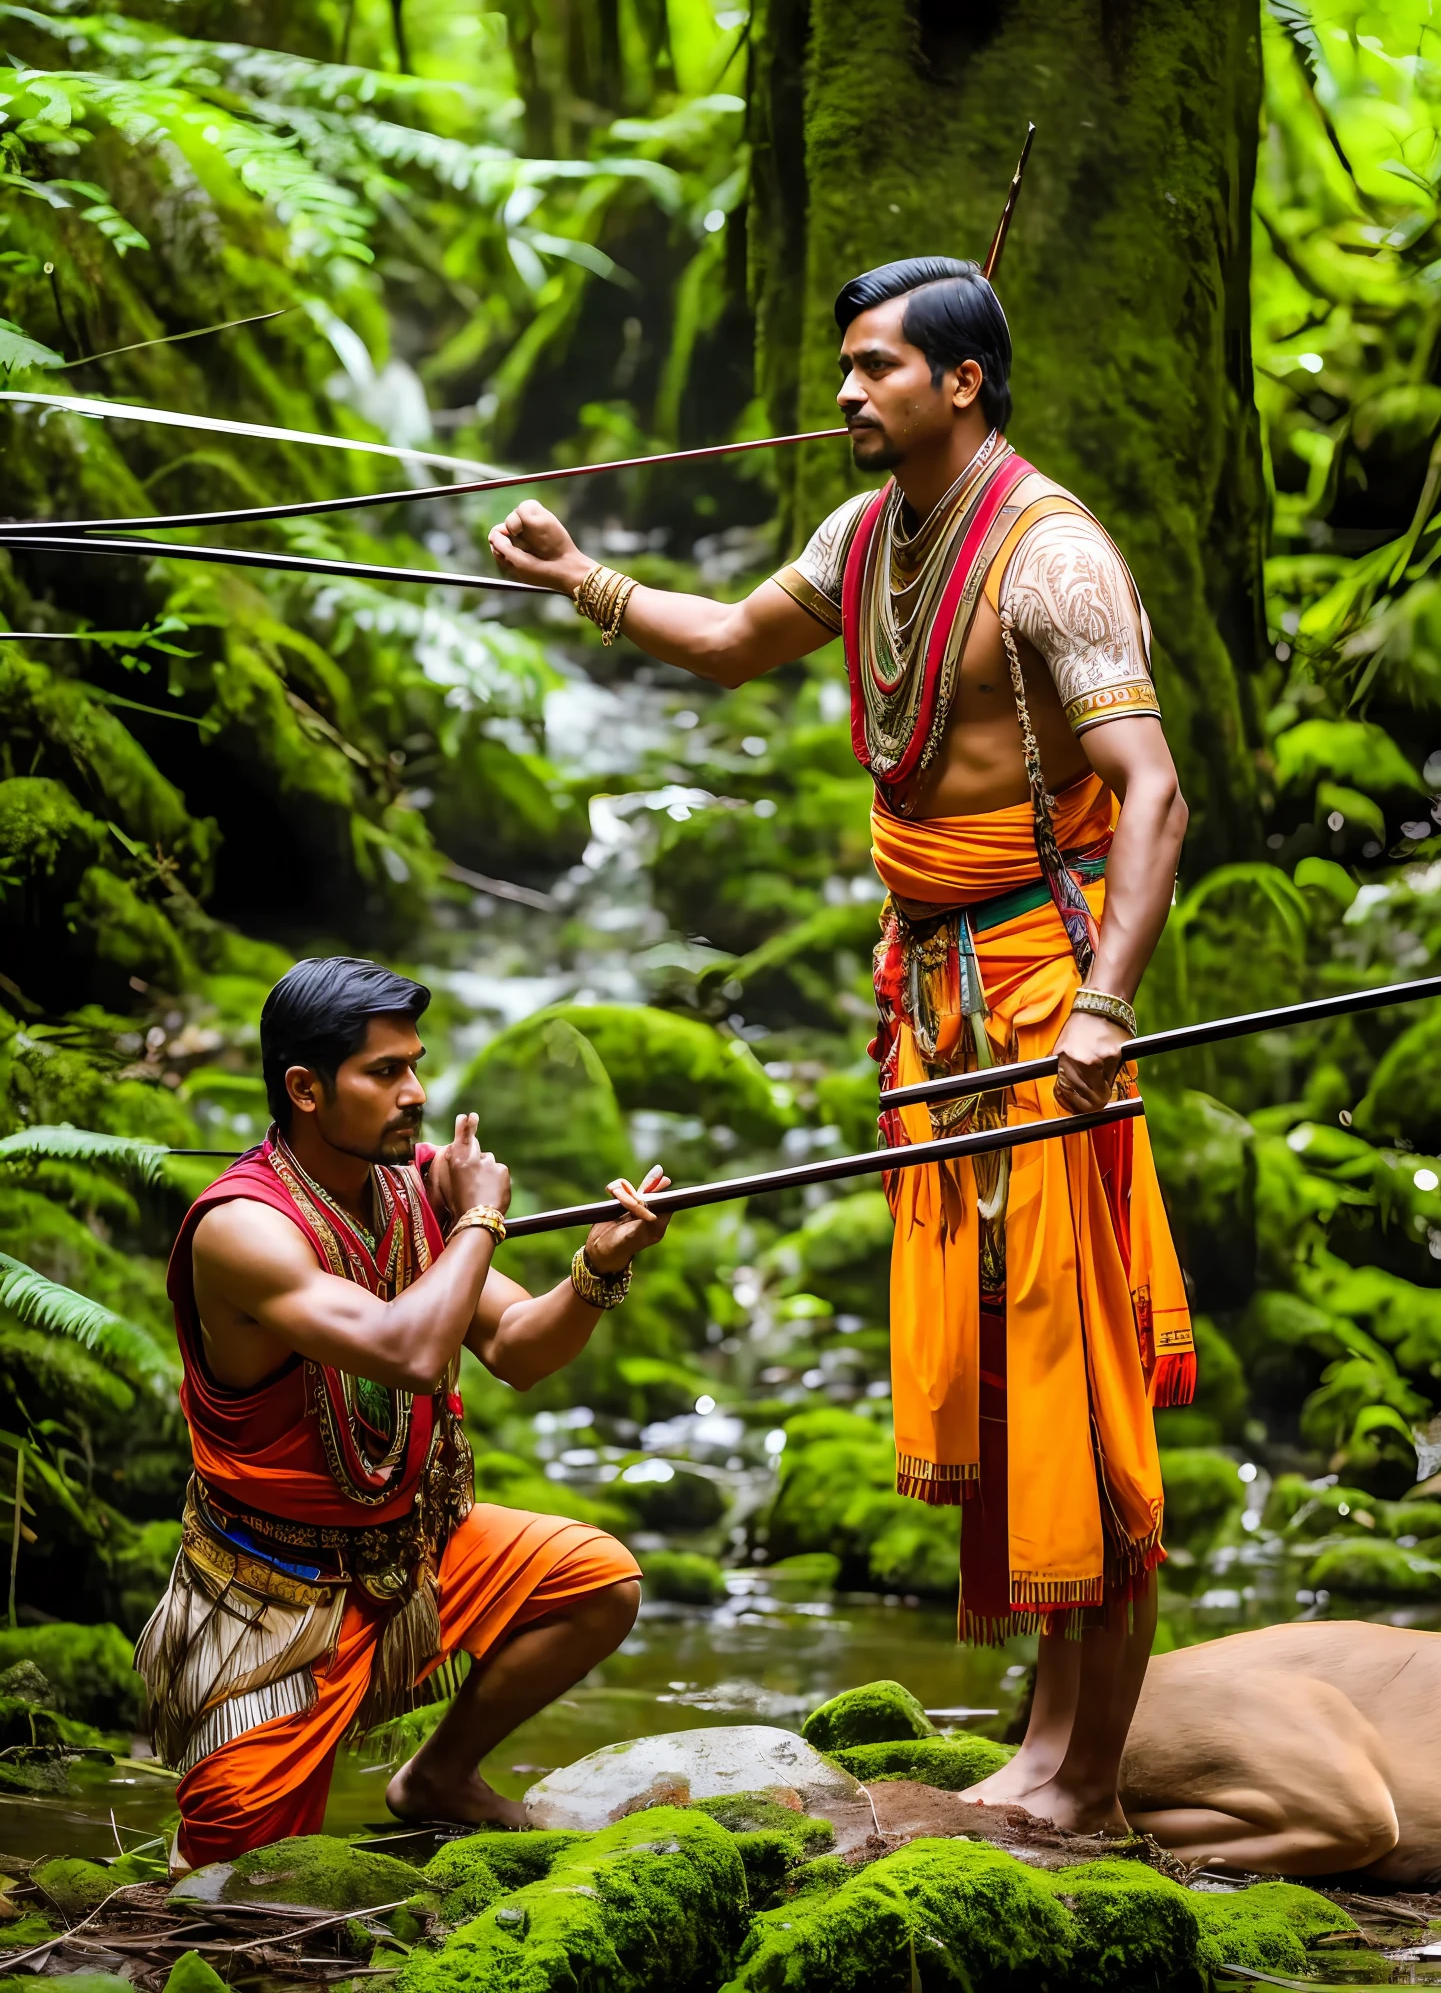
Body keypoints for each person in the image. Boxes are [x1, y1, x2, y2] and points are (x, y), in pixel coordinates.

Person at [486, 255, 1194, 1833]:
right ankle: (1045, 1747)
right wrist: (578, 578)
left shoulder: (1055, 558)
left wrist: (1103, 1004)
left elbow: (1153, 791)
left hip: (1040, 985)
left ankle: (1086, 1779)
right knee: (1008, 1372)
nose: (848, 393)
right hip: (931, 997)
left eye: (877, 367)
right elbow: (737, 639)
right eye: (845, 369)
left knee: (1080, 1377)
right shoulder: (865, 535)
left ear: (966, 384)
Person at [140, 956, 671, 1865]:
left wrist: (599, 1267)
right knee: (235, 1876)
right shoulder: (243, 1230)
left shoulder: (405, 1190)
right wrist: (478, 1221)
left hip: (409, 1558)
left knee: (596, 1580)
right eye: (385, 1073)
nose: (416, 1092)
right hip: (271, 1604)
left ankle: (435, 1778)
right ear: (305, 1089)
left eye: (416, 1064)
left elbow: (517, 1352)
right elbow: (414, 1354)